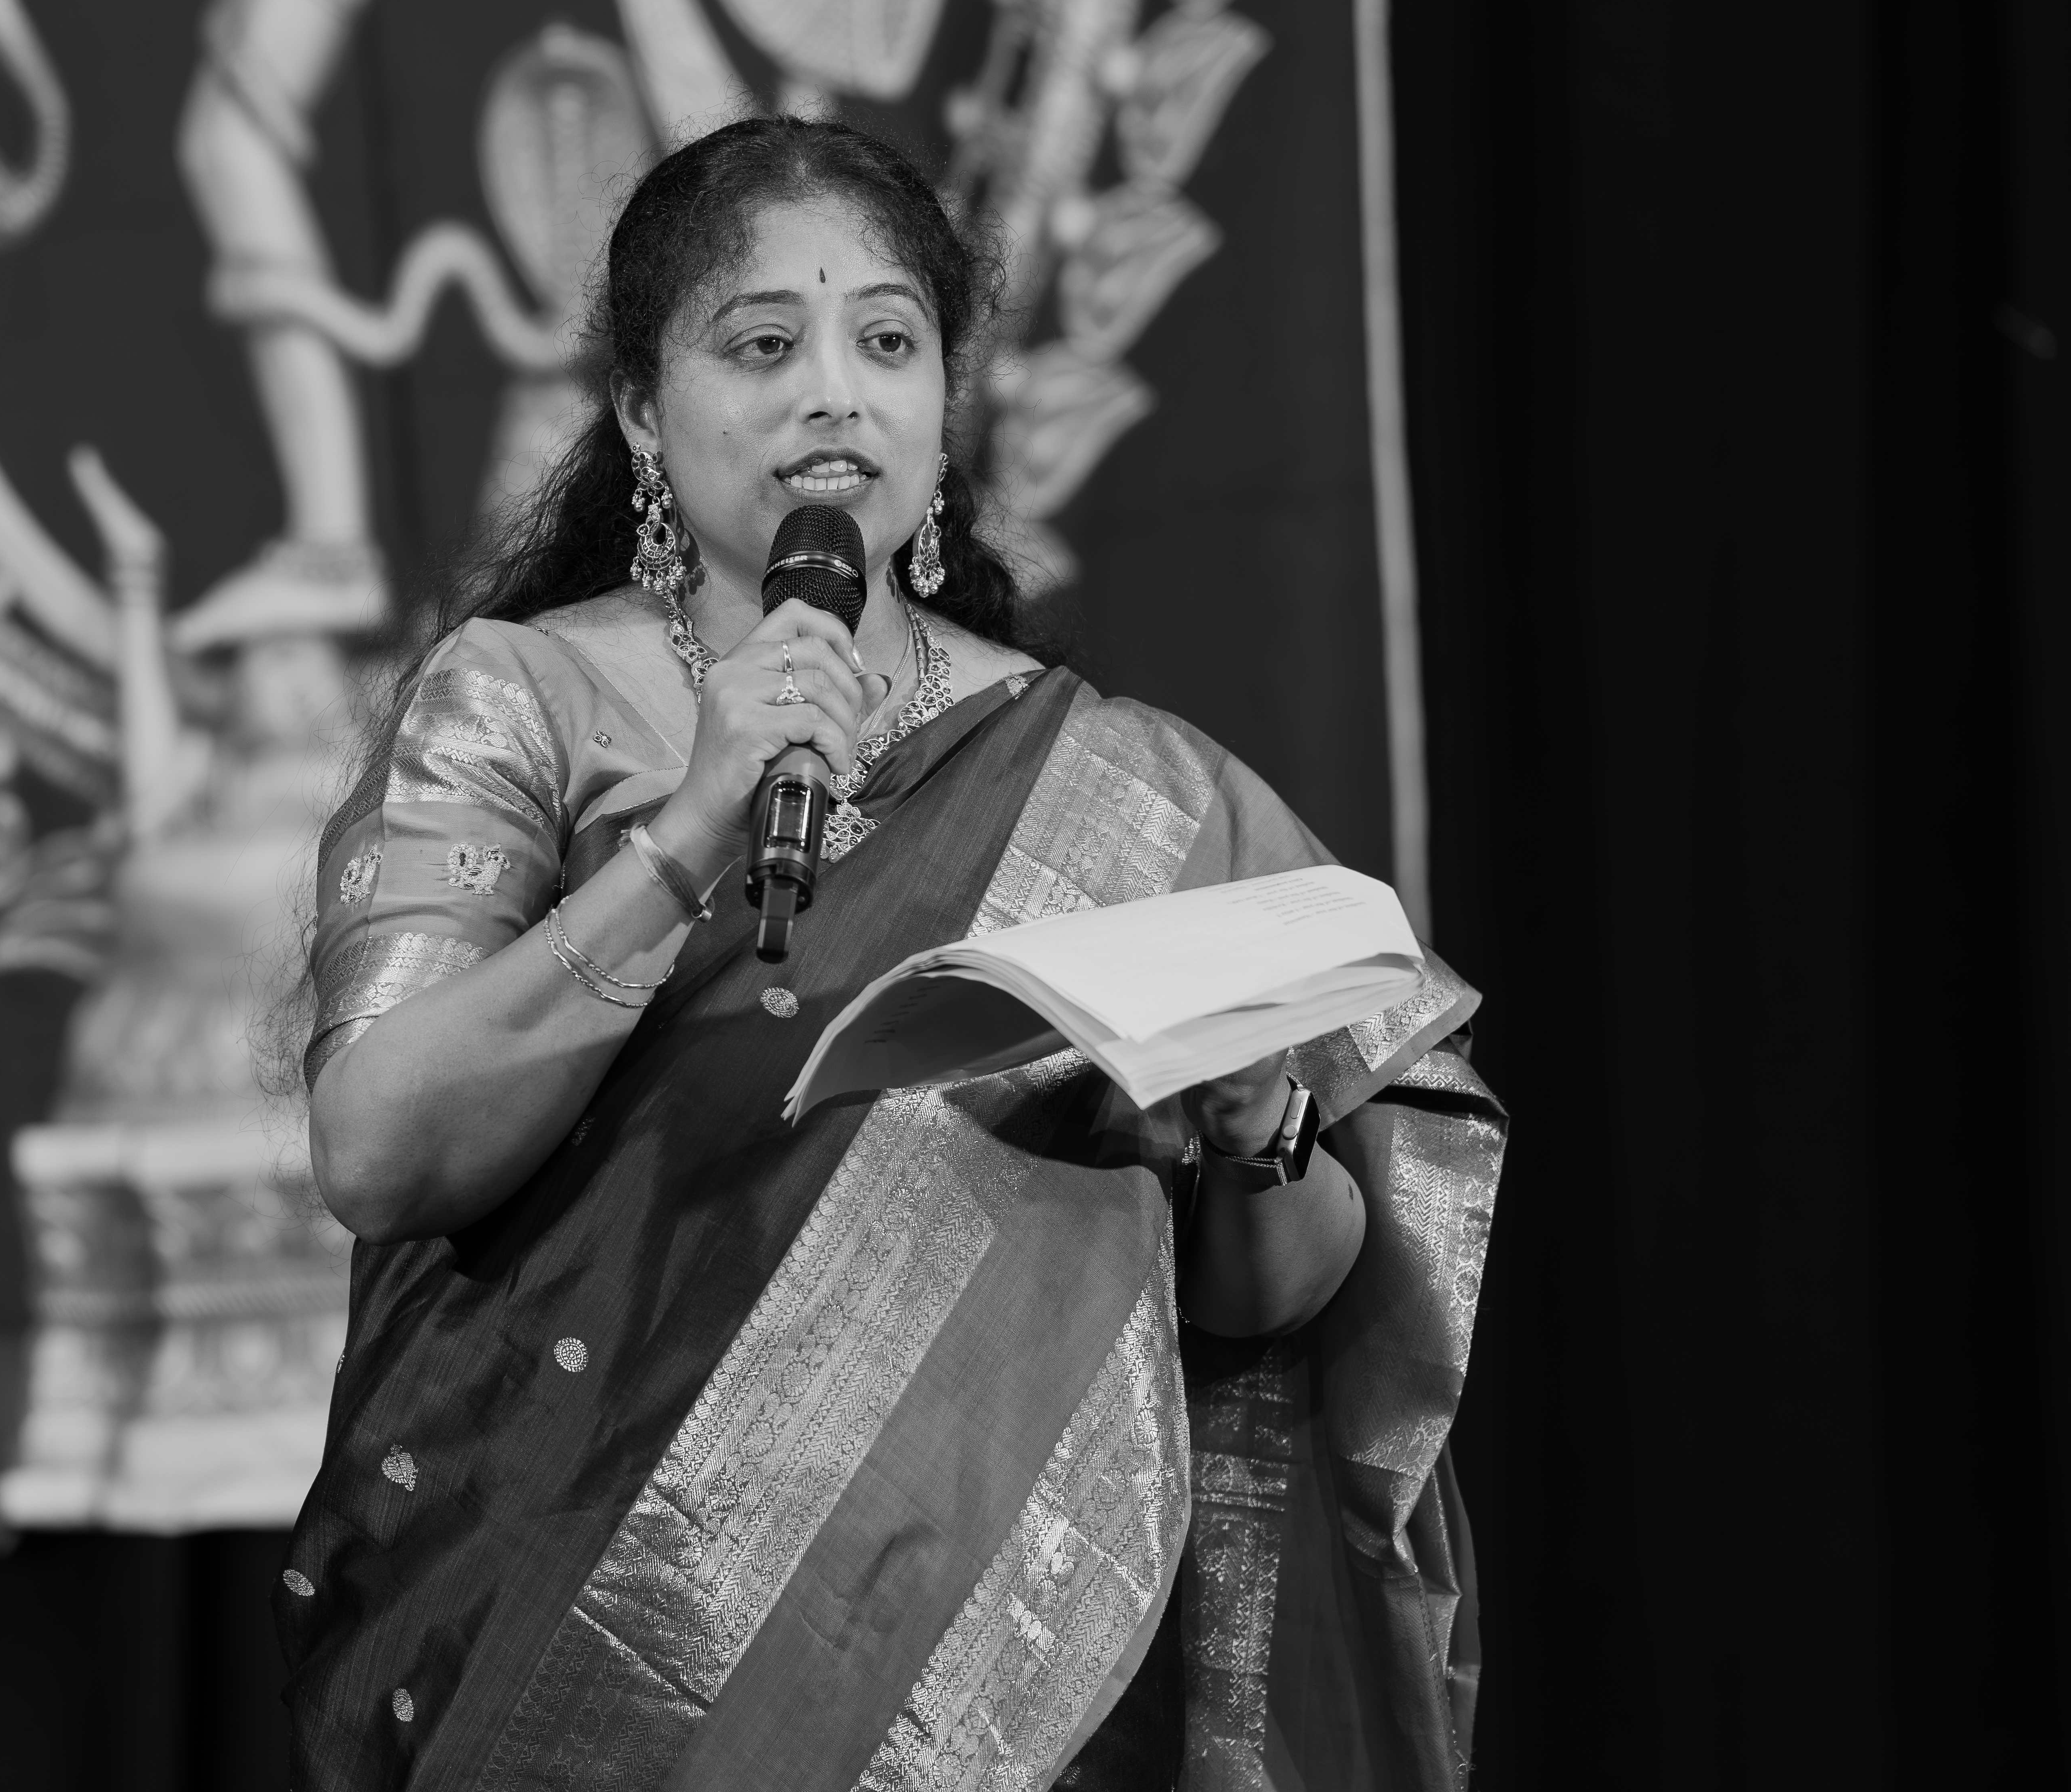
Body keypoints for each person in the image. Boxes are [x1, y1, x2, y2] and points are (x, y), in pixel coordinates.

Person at [278, 116, 1505, 1792]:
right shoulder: (526, 700)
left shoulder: (1125, 788)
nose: (833, 396)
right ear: (640, 410)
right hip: (568, 1650)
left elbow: (1265, 1298)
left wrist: (1254, 1133)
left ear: (941, 401)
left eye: (886, 341)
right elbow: (378, 1146)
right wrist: (687, 837)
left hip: (985, 1681)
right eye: (760, 345)